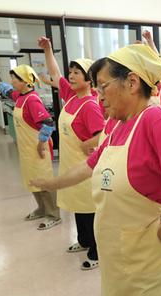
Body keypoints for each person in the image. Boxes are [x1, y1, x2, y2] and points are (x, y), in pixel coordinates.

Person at [31, 43, 161, 296]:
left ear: (132, 82)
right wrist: (52, 183)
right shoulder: (117, 123)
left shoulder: (154, 119)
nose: (97, 94)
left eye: (103, 86)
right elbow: (91, 165)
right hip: (116, 251)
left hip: (145, 255)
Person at [38, 36, 105, 270]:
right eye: (72, 71)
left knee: (90, 209)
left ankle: (97, 251)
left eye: (77, 72)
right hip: (70, 164)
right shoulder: (70, 97)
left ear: (89, 79)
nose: (72, 75)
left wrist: (91, 141)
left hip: (85, 167)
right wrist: (48, 50)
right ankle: (84, 240)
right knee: (78, 206)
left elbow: (104, 134)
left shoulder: (90, 105)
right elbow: (55, 74)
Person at [0, 66, 61, 230]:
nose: (12, 82)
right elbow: (7, 91)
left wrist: (41, 144)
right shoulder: (21, 96)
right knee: (32, 180)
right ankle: (41, 209)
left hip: (38, 149)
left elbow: (48, 123)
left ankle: (53, 215)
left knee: (44, 182)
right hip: (27, 149)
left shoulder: (32, 100)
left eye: (15, 79)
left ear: (25, 82)